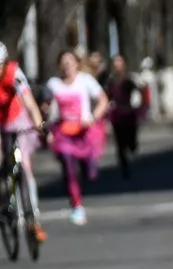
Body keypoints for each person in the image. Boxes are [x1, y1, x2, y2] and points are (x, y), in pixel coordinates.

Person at [45, 50, 109, 226]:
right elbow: (45, 104)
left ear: (76, 63)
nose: (67, 65)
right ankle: (77, 205)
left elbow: (103, 100)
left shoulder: (85, 80)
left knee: (90, 173)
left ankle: (88, 169)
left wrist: (93, 117)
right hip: (63, 132)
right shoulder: (53, 84)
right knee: (68, 167)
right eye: (63, 62)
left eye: (70, 61)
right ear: (59, 66)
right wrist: (45, 113)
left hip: (84, 132)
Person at [0, 42, 49, 241]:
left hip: (17, 121)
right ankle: (5, 202)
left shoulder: (14, 72)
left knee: (25, 166)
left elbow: (29, 102)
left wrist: (39, 124)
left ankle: (33, 219)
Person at [105, 54, 144, 180]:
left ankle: (132, 145)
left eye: (119, 61)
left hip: (129, 113)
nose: (117, 64)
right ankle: (124, 167)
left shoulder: (129, 79)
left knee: (131, 139)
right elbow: (108, 96)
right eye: (115, 62)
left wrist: (137, 104)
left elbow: (137, 92)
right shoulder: (111, 80)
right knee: (120, 143)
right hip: (117, 115)